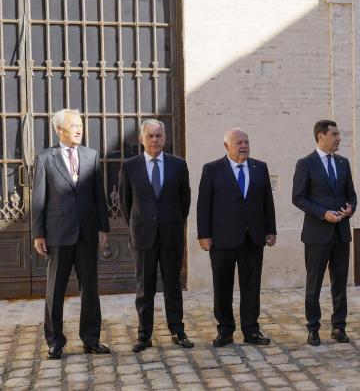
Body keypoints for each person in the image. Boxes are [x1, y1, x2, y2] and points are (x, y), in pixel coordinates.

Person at [31, 109, 111, 359]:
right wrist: (38, 233)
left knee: (90, 289)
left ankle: (91, 338)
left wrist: (103, 227)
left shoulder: (91, 155)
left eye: (80, 125)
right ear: (59, 130)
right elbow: (38, 200)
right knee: (55, 290)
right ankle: (55, 341)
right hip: (58, 234)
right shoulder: (45, 158)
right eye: (73, 125)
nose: (79, 129)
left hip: (87, 233)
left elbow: (99, 195)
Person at [197, 128, 277, 347]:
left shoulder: (259, 167)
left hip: (253, 238)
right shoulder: (212, 169)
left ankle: (251, 330)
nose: (244, 146)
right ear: (226, 146)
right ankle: (225, 330)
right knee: (222, 287)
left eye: (246, 142)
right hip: (222, 239)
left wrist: (271, 229)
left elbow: (267, 201)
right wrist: (204, 235)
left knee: (251, 286)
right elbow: (204, 204)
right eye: (239, 142)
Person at [118, 119, 193, 352]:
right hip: (143, 237)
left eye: (159, 136)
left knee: (173, 285)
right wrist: (139, 224)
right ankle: (144, 334)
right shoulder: (130, 166)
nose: (154, 140)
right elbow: (125, 203)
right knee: (144, 288)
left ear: (165, 138)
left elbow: (185, 201)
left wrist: (173, 222)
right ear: (141, 139)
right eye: (150, 136)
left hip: (171, 236)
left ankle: (177, 330)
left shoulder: (178, 165)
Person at [292, 120, 356, 346]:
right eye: (335, 134)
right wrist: (323, 213)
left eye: (339, 134)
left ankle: (339, 327)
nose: (339, 138)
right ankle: (313, 328)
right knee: (314, 283)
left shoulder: (343, 163)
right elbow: (298, 197)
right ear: (321, 136)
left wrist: (350, 208)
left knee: (340, 283)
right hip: (317, 234)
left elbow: (352, 195)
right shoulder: (305, 164)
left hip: (341, 233)